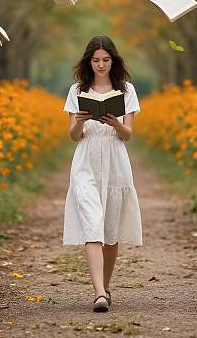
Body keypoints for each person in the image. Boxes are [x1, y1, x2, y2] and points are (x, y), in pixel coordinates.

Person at [62, 35, 143, 313]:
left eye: (105, 60)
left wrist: (115, 123)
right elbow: (74, 135)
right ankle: (98, 293)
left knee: (110, 230)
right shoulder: (77, 90)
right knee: (92, 224)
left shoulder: (126, 90)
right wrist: (80, 120)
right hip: (85, 161)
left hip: (115, 160)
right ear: (88, 61)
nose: (100, 65)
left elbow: (128, 134)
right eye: (95, 60)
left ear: (113, 61)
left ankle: (106, 287)